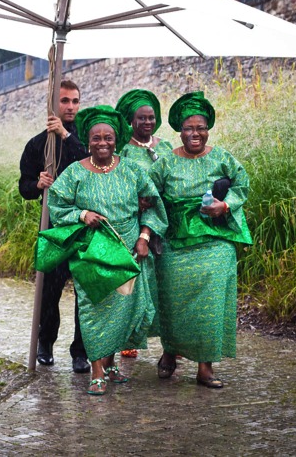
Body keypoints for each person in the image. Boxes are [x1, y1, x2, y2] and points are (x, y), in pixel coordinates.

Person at [47, 105, 167, 395]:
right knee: (93, 309)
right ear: (87, 140)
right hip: (92, 251)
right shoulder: (75, 172)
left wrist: (144, 236)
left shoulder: (132, 171)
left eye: (109, 138)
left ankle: (110, 362)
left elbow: (153, 204)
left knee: (122, 310)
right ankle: (96, 369)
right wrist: (81, 214)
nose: (103, 143)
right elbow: (56, 203)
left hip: (128, 249)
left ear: (117, 140)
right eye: (96, 138)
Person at [149, 91, 253, 388]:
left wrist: (226, 205)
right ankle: (170, 352)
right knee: (173, 301)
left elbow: (242, 185)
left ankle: (205, 367)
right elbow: (148, 192)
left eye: (201, 128)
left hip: (213, 240)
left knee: (210, 303)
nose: (195, 134)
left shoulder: (222, 157)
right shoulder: (165, 162)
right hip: (174, 242)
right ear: (178, 131)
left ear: (208, 129)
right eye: (188, 128)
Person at [18, 79, 90, 373]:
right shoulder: (37, 145)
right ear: (53, 104)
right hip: (52, 225)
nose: (70, 106)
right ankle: (45, 344)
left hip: (85, 224)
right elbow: (23, 186)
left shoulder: (89, 138)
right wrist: (38, 183)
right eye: (64, 101)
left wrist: (65, 136)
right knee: (49, 289)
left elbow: (89, 162)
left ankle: (81, 352)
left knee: (85, 291)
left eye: (75, 101)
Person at [114, 88, 173, 358]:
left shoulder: (165, 147)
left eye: (151, 118)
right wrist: (132, 201)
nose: (147, 123)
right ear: (131, 120)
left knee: (166, 283)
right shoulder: (123, 149)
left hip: (164, 223)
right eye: (141, 118)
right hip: (134, 224)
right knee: (138, 282)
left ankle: (171, 343)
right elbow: (116, 182)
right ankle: (130, 337)